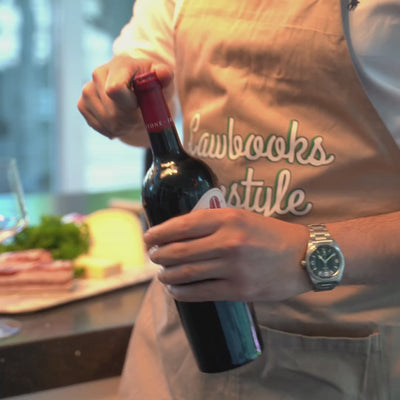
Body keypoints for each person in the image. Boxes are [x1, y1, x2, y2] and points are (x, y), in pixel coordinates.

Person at [78, 0, 400, 398]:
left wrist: (307, 252)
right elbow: (144, 115)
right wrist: (121, 108)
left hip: (342, 356)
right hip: (181, 342)